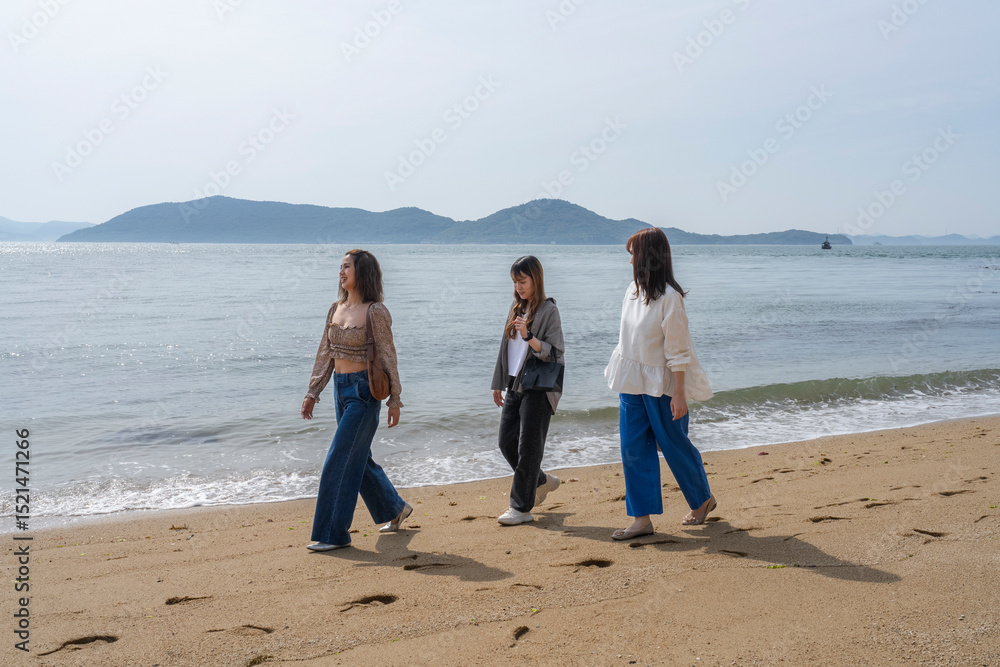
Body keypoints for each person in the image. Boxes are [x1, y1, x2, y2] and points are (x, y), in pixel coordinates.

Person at [604, 228, 716, 540]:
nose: (629, 261)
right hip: (631, 382)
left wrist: (679, 395)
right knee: (633, 449)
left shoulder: (670, 298)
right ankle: (642, 520)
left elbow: (679, 352)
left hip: (662, 386)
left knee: (674, 445)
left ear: (646, 257)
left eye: (633, 254)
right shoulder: (632, 291)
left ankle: (702, 499)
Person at [301, 249, 411, 551]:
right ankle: (395, 508)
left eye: (346, 267)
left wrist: (395, 399)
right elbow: (325, 354)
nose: (341, 272)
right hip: (340, 390)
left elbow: (388, 356)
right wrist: (313, 392)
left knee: (339, 460)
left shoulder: (375, 311)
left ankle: (332, 534)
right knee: (357, 459)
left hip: (363, 394)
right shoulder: (334, 309)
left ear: (362, 272)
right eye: (340, 267)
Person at [490, 256, 565, 525]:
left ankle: (521, 508)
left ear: (536, 279)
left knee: (529, 449)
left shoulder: (548, 310)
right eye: (515, 282)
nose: (518, 287)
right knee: (505, 442)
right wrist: (498, 382)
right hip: (514, 384)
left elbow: (555, 352)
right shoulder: (516, 307)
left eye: (522, 281)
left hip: (538, 387)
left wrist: (529, 337)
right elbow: (506, 349)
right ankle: (540, 480)